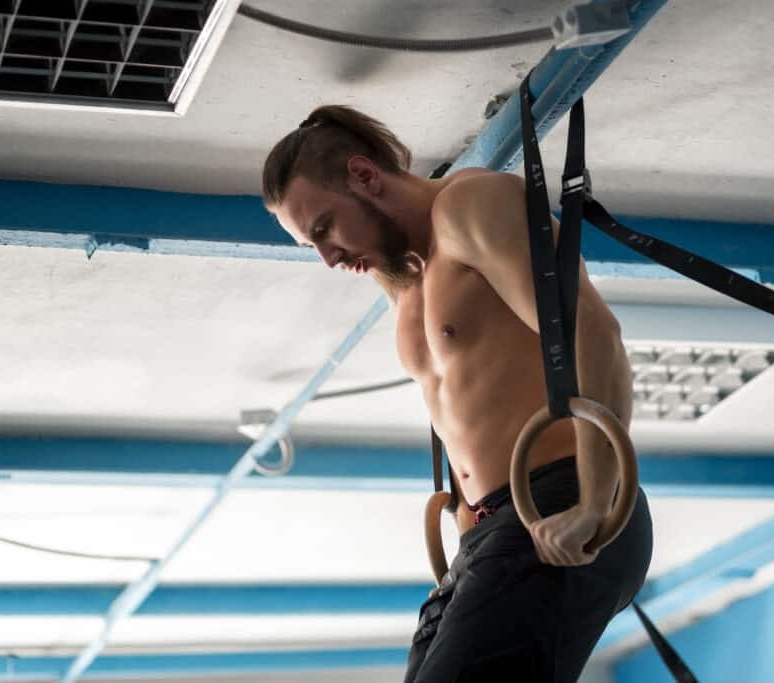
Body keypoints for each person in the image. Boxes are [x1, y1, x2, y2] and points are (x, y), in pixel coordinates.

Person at [261, 105, 653, 682]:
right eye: (310, 246)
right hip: (489, 537)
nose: (328, 257)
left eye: (323, 229)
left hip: (559, 500)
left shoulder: (472, 207)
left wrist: (595, 501)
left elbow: (592, 334)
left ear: (365, 176)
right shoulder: (403, 279)